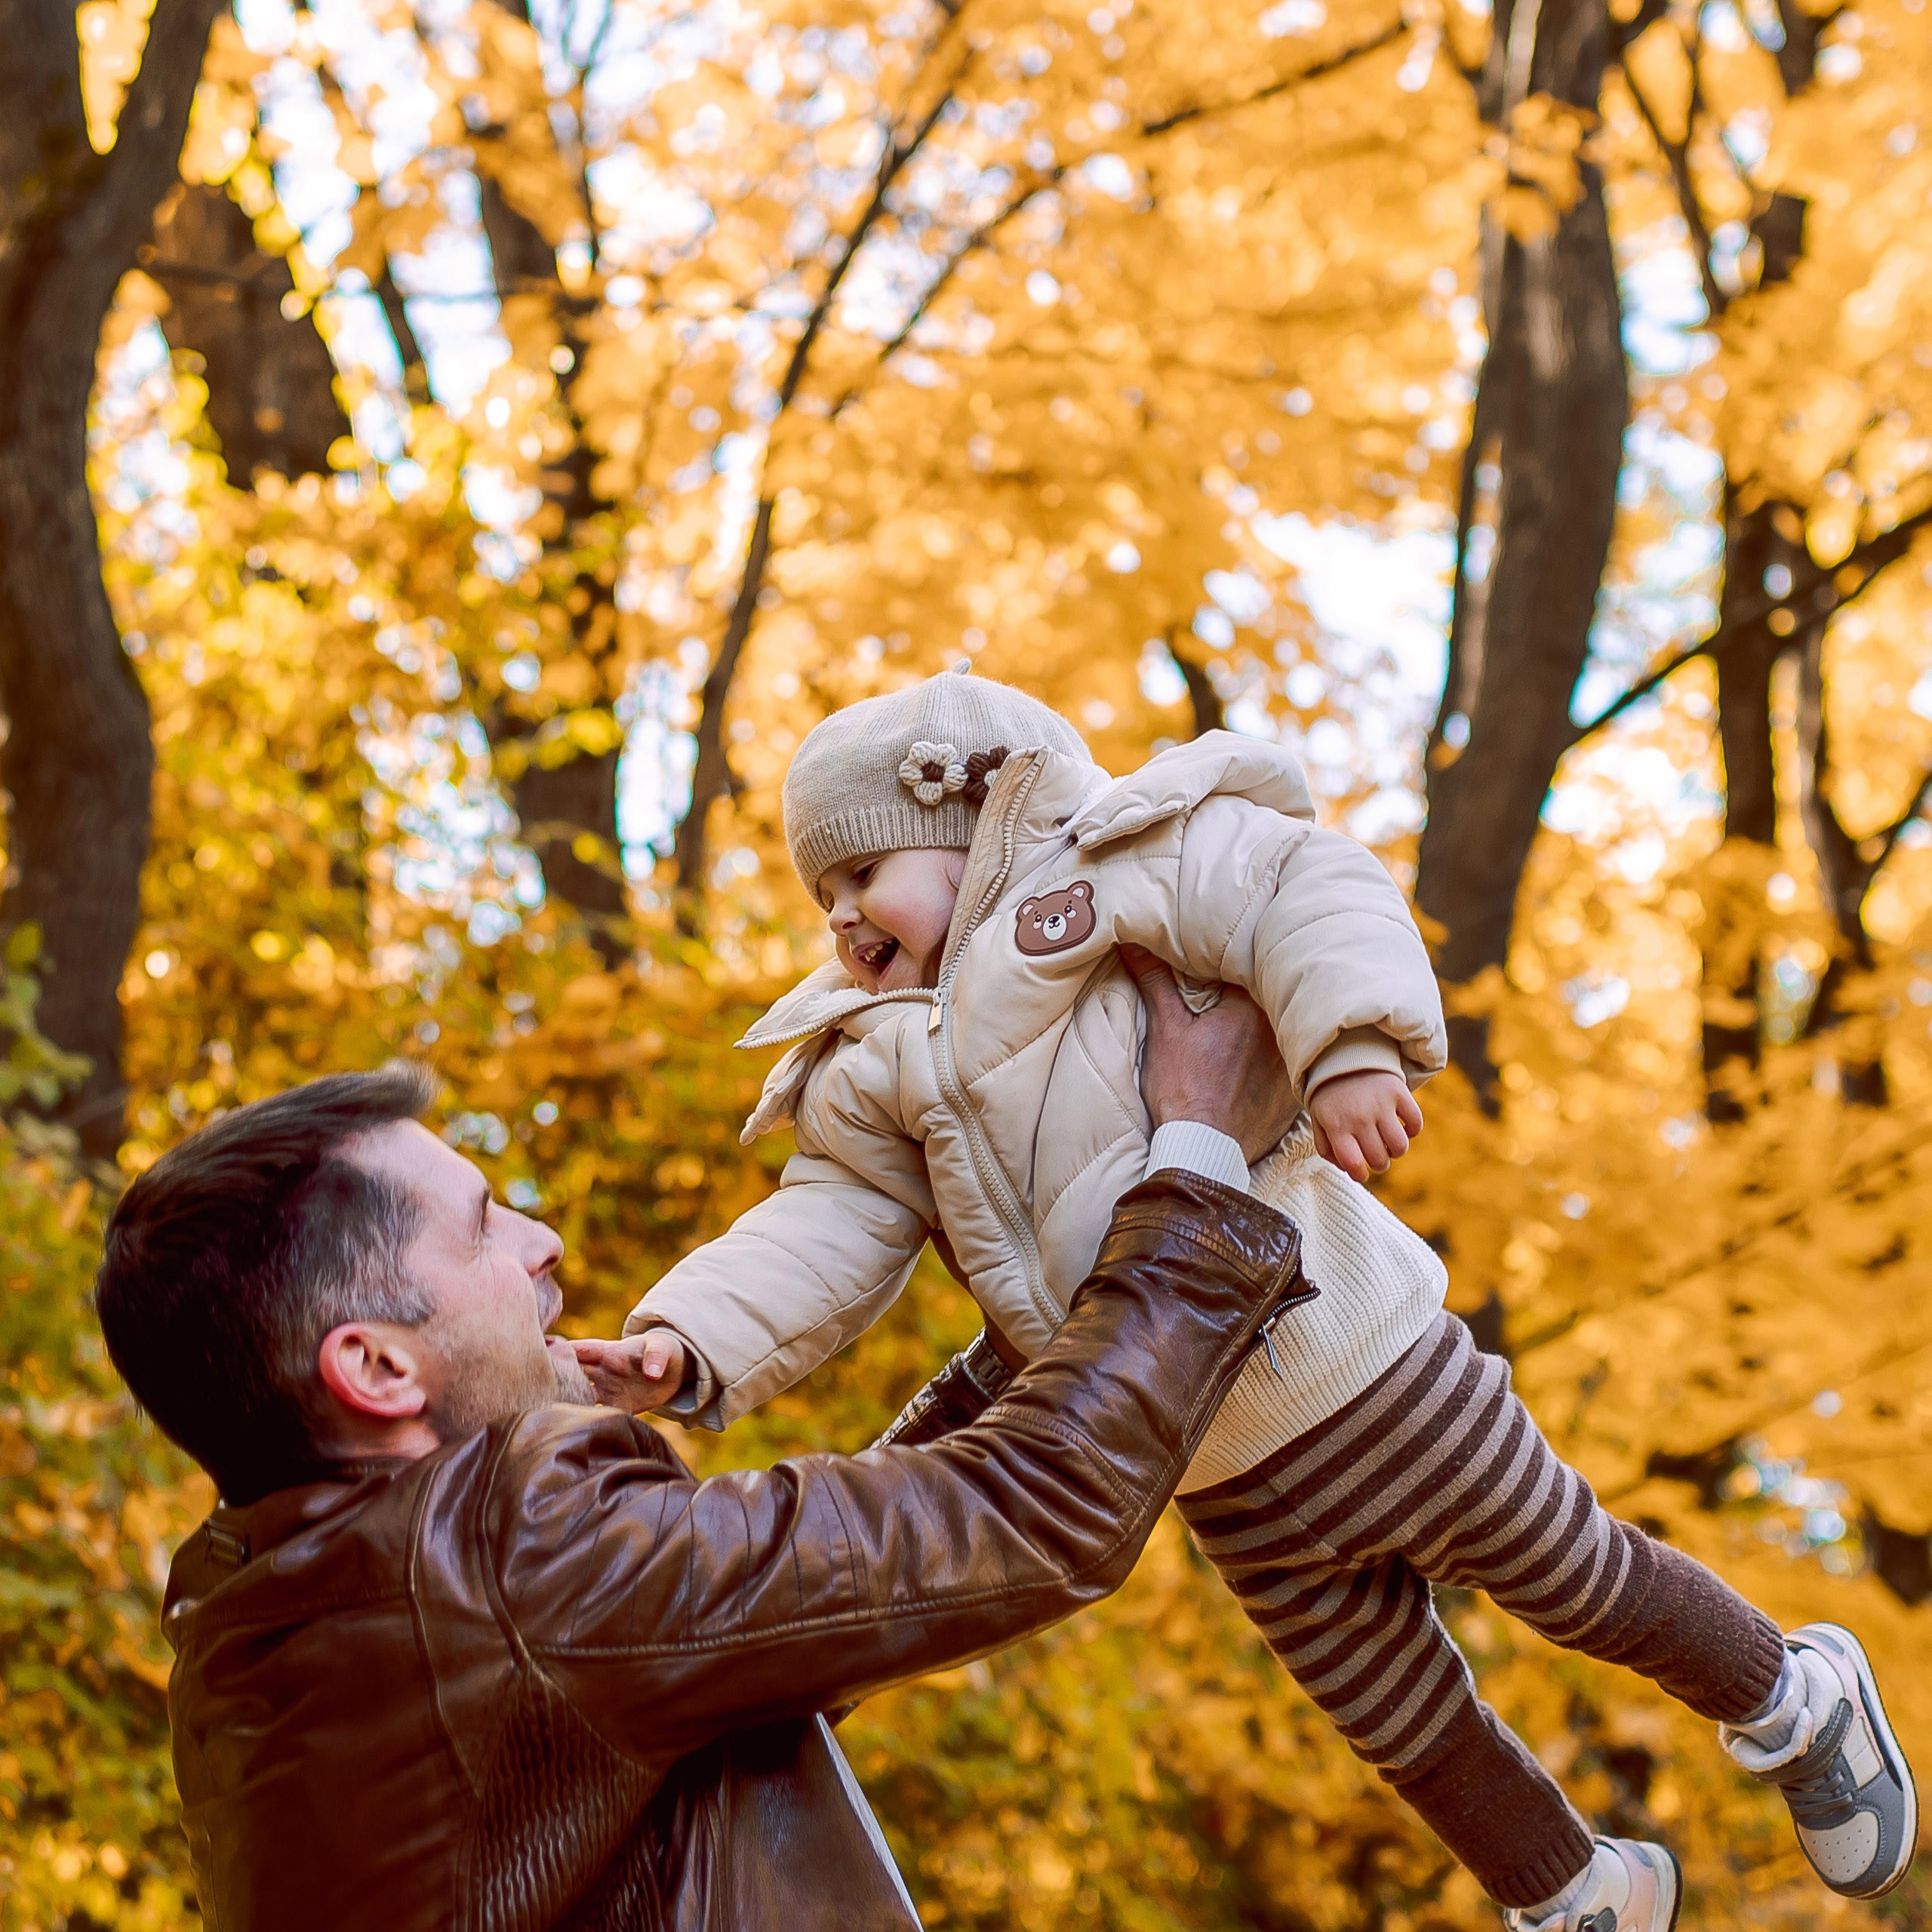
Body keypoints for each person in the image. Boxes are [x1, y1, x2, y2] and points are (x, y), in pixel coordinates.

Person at [603, 672, 1918, 1932]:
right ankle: (1575, 1893)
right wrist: (690, 1335)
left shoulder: (1106, 875)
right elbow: (821, 1226)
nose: (838, 916)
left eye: (861, 873)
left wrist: (1348, 1044)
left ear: (967, 824)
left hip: (1363, 1360)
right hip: (1202, 1462)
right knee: (1397, 1717)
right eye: (819, 894)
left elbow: (1304, 885)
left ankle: (1793, 1695)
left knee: (1569, 1574)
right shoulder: (866, 1065)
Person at [93, 958, 1315, 1930]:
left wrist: (1015, 1348)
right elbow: (1025, 1520)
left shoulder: (266, 1622)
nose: (541, 1243)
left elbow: (783, 1609)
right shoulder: (518, 1564)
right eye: (482, 1231)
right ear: (375, 1369)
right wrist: (1200, 1162)